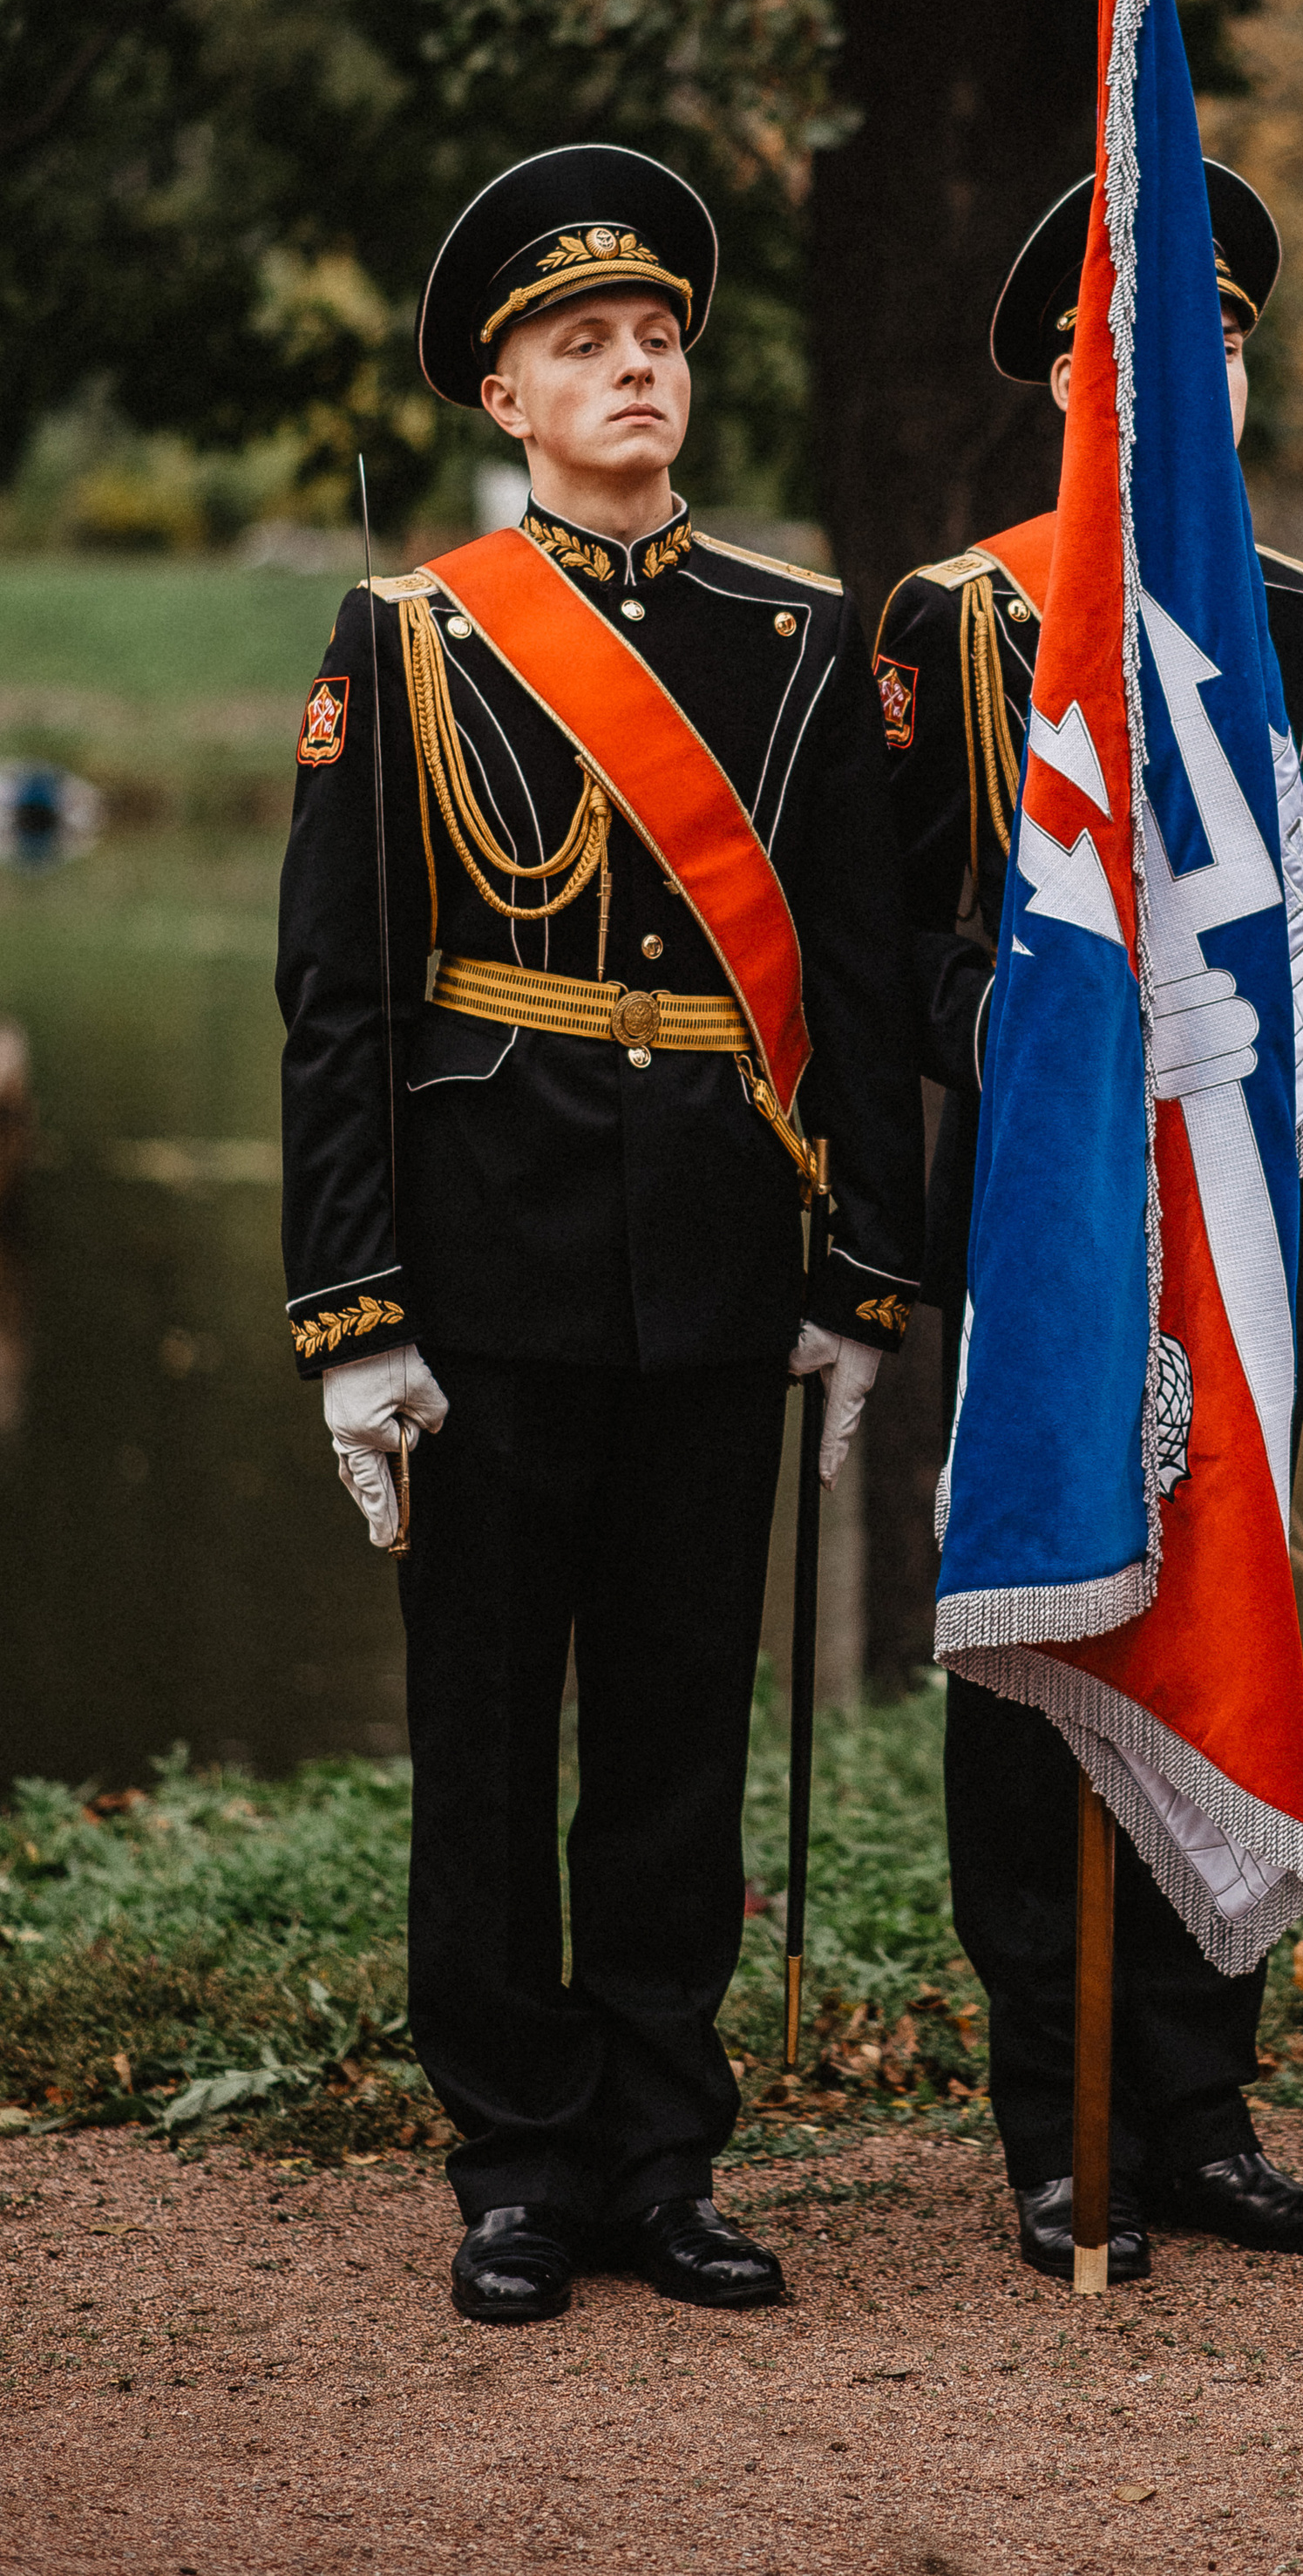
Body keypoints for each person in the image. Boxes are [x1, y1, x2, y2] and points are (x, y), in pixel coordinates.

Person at [277, 146, 923, 2324]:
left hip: (718, 1262)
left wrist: (851, 1277)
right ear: (502, 397)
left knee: (674, 1731)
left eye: (654, 340)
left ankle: (662, 2151)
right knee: (483, 1732)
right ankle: (513, 2163)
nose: (632, 368)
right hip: (489, 1260)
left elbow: (846, 976)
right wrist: (354, 1314)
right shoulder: (413, 635)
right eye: (584, 345)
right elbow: (346, 1003)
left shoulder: (794, 635)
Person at [877, 164, 1303, 2282]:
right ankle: (1055, 2123)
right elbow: (895, 955)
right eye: (1142, 338)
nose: (1184, 366)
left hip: (1242, 1226)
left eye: (1214, 333)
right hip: (1044, 1225)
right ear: (1070, 375)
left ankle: (1198, 2106)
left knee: (1213, 1620)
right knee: (1038, 1643)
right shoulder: (965, 612)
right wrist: (1067, 1015)